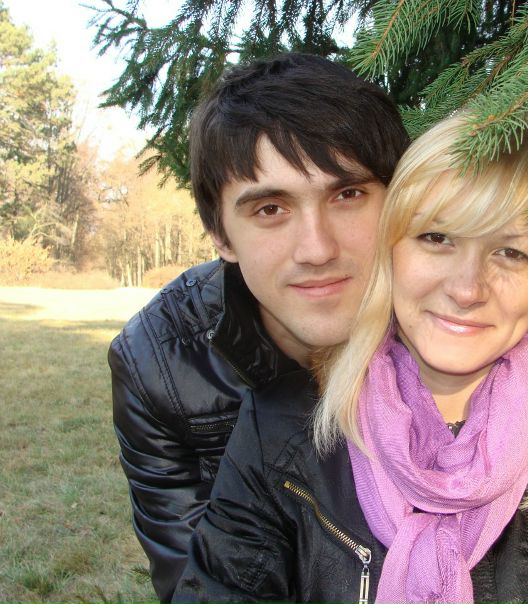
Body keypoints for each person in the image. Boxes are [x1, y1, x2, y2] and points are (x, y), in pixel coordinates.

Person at [172, 114, 528, 603]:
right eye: (437, 238)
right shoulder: (282, 430)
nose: (467, 288)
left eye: (511, 252)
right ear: (390, 246)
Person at [108, 53, 409, 603]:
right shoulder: (160, 365)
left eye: (347, 194)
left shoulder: (456, 326)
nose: (317, 249)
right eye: (270, 209)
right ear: (221, 235)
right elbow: (200, 582)